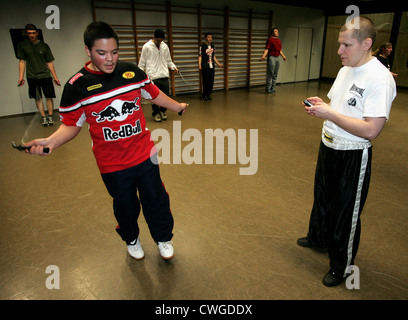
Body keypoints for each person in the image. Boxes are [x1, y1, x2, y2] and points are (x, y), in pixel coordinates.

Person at [24, 21, 188, 261]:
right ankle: (131, 239)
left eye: (114, 52)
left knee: (156, 199)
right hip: (112, 164)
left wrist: (177, 106)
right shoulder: (76, 86)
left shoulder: (132, 73)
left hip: (145, 154)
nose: (109, 59)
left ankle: (163, 237)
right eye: (101, 53)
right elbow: (71, 124)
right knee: (126, 206)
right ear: (88, 51)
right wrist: (50, 142)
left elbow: (153, 93)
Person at [297, 17, 396, 287]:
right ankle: (318, 237)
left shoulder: (380, 78)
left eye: (346, 45)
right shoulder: (345, 69)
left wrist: (330, 113)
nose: (340, 51)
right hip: (328, 143)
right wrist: (325, 105)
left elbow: (371, 130)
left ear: (367, 44)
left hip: (352, 153)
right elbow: (340, 106)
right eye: (340, 44)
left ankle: (341, 266)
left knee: (345, 213)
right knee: (323, 197)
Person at [17, 23, 60, 126]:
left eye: (33, 33)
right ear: (26, 34)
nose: (31, 35)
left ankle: (50, 117)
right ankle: (43, 117)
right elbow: (22, 61)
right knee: (38, 98)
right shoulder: (22, 45)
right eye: (29, 33)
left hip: (45, 75)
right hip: (32, 76)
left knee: (49, 97)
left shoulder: (44, 46)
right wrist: (20, 77)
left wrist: (55, 77)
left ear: (37, 33)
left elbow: (49, 62)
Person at [139, 29, 178, 122]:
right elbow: (142, 63)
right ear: (154, 37)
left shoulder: (165, 46)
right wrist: (140, 74)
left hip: (164, 75)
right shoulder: (146, 47)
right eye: (158, 41)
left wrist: (173, 67)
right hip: (152, 76)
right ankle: (155, 113)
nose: (159, 43)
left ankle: (162, 111)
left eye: (161, 41)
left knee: (166, 96)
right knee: (154, 97)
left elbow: (168, 60)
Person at [260, 28, 286, 93]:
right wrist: (263, 56)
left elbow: (279, 50)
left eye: (277, 31)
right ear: (272, 33)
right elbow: (267, 49)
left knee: (275, 74)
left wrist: (283, 56)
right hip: (271, 57)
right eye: (275, 31)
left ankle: (273, 88)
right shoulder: (270, 40)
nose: (277, 32)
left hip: (277, 58)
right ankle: (268, 89)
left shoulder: (279, 41)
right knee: (270, 74)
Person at [198, 33, 223, 101]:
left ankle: (208, 94)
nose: (210, 38)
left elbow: (213, 56)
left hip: (212, 66)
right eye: (208, 37)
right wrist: (199, 64)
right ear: (205, 38)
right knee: (205, 81)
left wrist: (218, 64)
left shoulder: (213, 46)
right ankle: (204, 95)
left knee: (211, 81)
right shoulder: (202, 46)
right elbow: (200, 56)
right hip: (205, 66)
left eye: (211, 37)